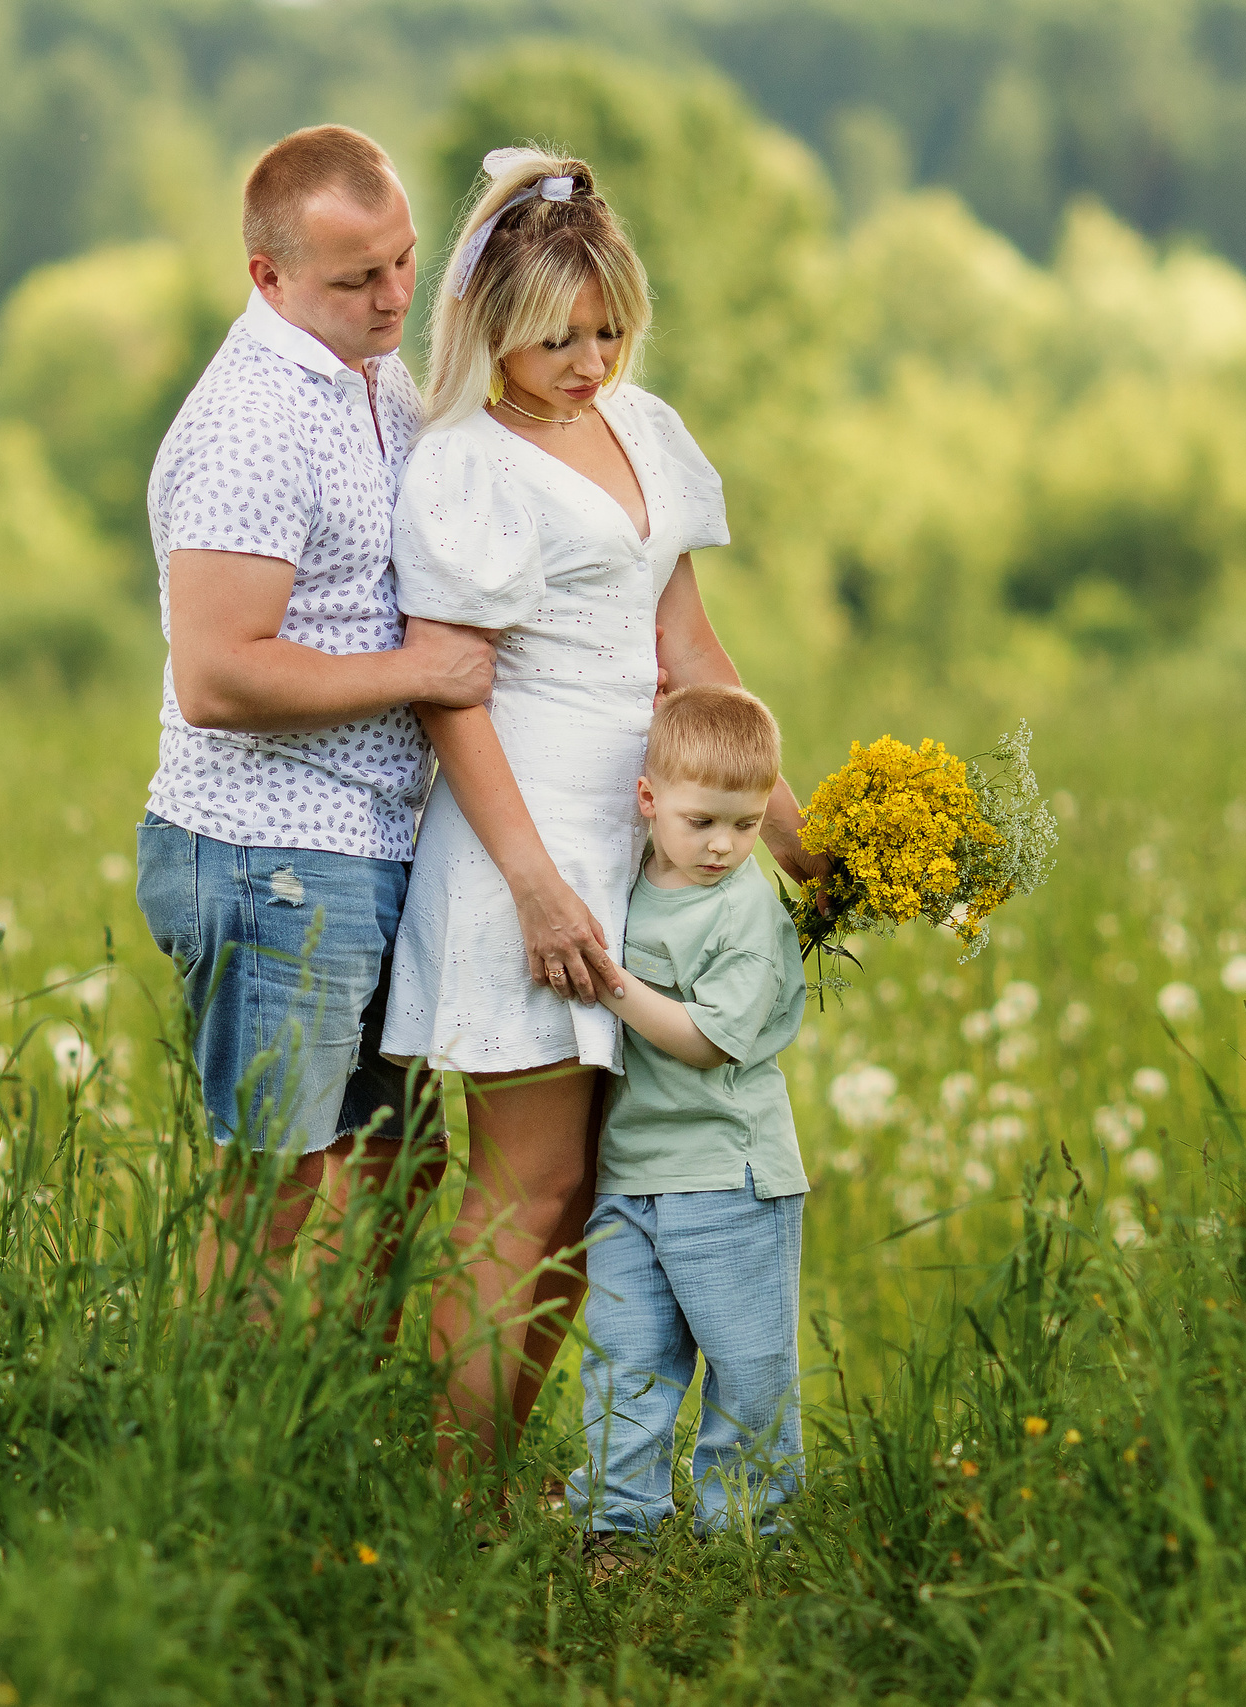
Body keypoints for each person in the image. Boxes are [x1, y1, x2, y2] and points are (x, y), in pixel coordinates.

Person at [382, 147, 833, 1465]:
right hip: (520, 843)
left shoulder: (642, 429)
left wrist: (806, 841)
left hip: (635, 853)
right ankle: (454, 1490)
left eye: (609, 328)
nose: (588, 359)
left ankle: (497, 1468)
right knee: (518, 1189)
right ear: (492, 327)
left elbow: (690, 653)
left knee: (583, 1196)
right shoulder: (464, 463)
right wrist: (534, 884)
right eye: (556, 337)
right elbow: (451, 696)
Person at [134, 125, 495, 1296]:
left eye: (400, 261)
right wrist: (424, 674)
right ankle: (219, 1457)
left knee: (406, 1161)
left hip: (370, 842)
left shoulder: (369, 376)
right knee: (277, 1192)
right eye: (355, 279)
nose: (394, 297)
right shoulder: (255, 421)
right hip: (269, 853)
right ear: (267, 278)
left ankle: (353, 1432)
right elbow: (218, 676)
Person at [566, 685, 810, 1568]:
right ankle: (616, 1522)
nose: (722, 845)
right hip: (631, 1173)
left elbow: (708, 1042)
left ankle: (747, 1530)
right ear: (648, 800)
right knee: (626, 1355)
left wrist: (609, 981)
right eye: (703, 819)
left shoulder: (744, 909)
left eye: (745, 826)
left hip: (729, 1173)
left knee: (746, 1367)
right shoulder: (627, 876)